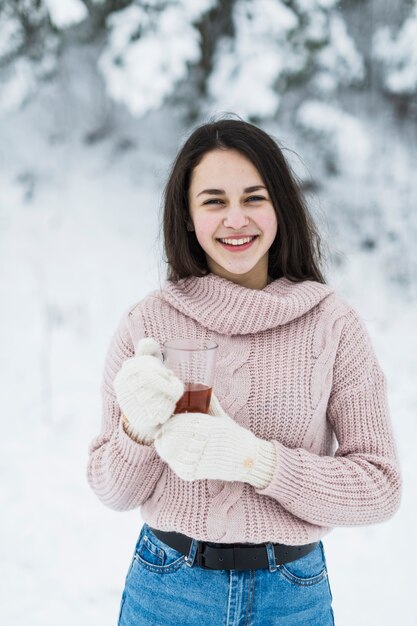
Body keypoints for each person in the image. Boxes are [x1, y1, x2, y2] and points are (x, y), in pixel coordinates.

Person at [87, 117, 402, 625]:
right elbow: (113, 491)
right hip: (168, 591)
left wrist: (258, 463)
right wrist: (136, 430)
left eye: (254, 198)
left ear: (280, 206)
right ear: (188, 216)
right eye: (214, 201)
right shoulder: (149, 322)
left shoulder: (331, 324)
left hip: (292, 595)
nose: (236, 218)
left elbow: (380, 487)